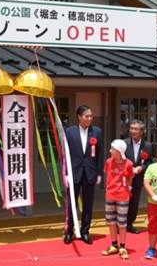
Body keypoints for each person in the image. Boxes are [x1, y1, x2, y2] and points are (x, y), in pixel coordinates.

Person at [63, 105, 104, 245]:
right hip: (74, 173)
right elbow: (64, 155)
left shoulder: (97, 132)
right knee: (71, 204)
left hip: (90, 173)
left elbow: (99, 154)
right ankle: (69, 231)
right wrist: (66, 173)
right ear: (79, 117)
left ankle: (85, 231)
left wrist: (99, 173)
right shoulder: (69, 132)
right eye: (87, 116)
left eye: (91, 116)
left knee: (88, 204)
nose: (90, 118)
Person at [101, 139, 133, 260]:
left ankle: (122, 246)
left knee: (122, 222)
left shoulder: (128, 164)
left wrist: (128, 187)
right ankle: (114, 245)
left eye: (112, 149)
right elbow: (107, 175)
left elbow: (130, 177)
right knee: (111, 221)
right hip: (110, 195)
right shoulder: (108, 162)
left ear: (119, 151)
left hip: (123, 196)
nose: (110, 150)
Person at [124, 120, 153, 234]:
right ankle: (120, 224)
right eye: (131, 128)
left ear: (142, 131)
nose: (133, 131)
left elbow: (150, 162)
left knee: (134, 202)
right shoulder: (124, 143)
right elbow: (119, 159)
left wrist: (142, 167)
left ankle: (129, 224)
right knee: (122, 202)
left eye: (136, 129)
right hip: (125, 178)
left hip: (138, 178)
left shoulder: (148, 146)